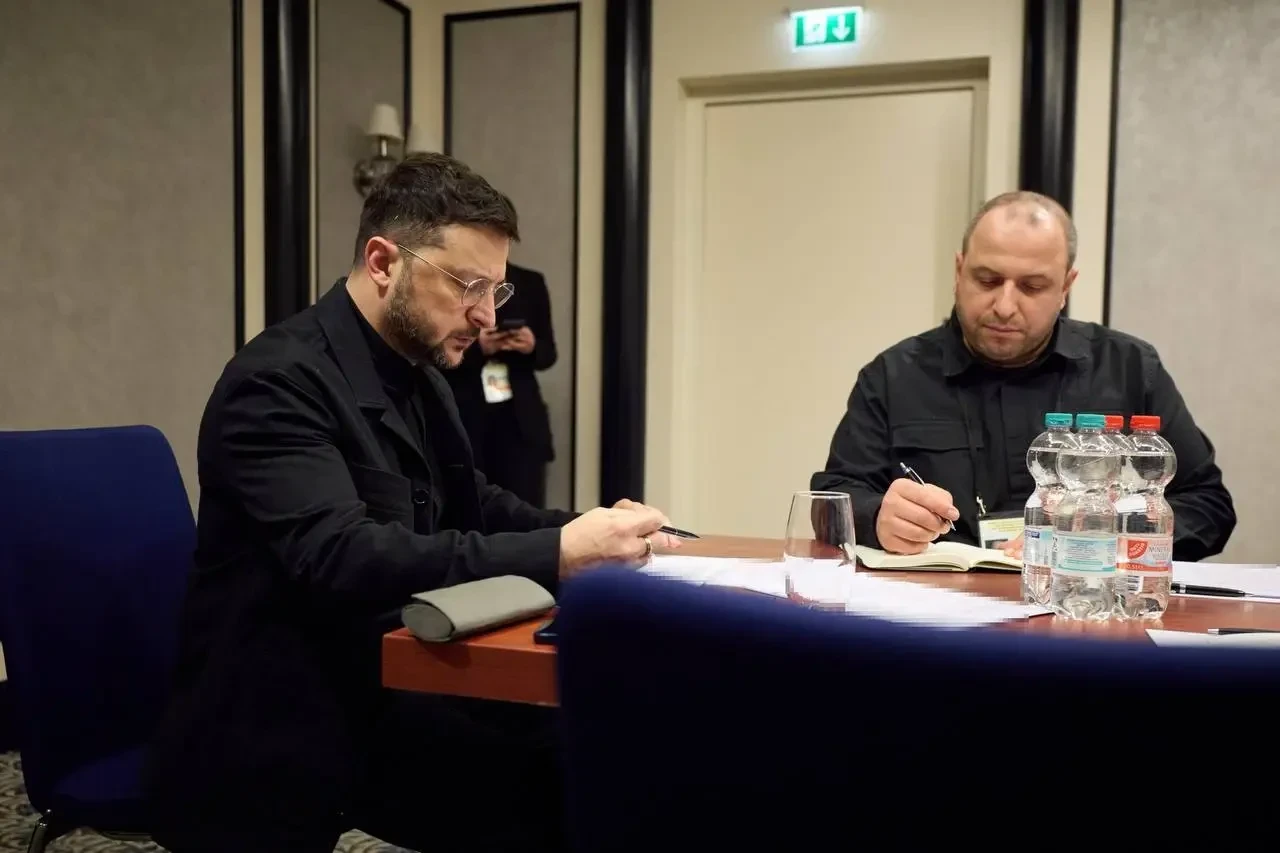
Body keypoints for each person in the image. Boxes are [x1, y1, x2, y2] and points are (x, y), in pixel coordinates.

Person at [145, 153, 680, 853]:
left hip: (385, 672)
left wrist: (591, 531)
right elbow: (341, 555)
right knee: (554, 787)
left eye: (496, 290)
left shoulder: (417, 368)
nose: (486, 314)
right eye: (467, 285)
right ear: (382, 262)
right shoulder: (276, 381)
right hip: (280, 711)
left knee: (600, 748)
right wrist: (560, 552)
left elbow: (473, 501)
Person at [811, 190, 1235, 562]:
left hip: (1083, 598)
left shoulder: (1129, 367)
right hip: (939, 608)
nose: (1004, 306)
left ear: (1066, 287)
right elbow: (832, 499)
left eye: (1032, 287)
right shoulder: (894, 375)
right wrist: (876, 517)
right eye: (987, 280)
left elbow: (1208, 506)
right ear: (958, 271)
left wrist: (1110, 535)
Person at [446, 260, 558, 507]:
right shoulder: (456, 277)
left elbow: (549, 354)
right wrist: (477, 348)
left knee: (525, 504)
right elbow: (433, 353)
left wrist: (531, 345)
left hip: (520, 418)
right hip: (467, 410)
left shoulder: (530, 281)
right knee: (469, 503)